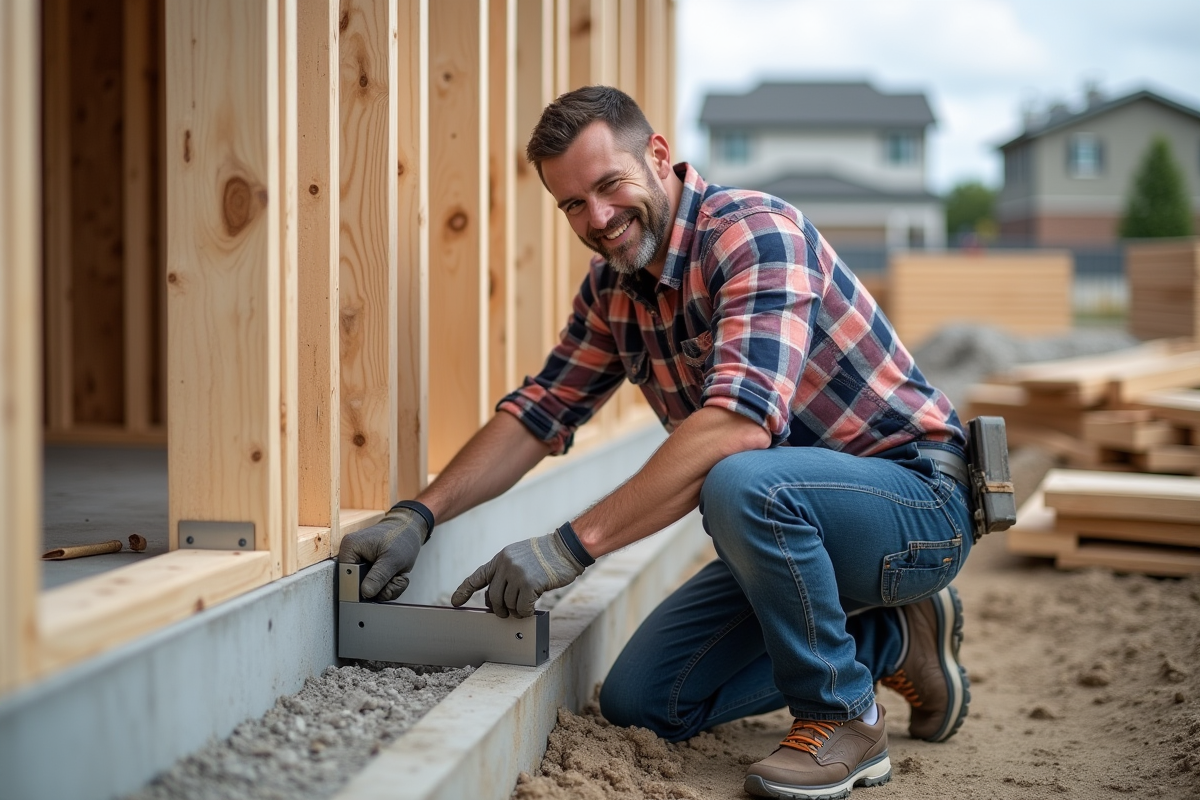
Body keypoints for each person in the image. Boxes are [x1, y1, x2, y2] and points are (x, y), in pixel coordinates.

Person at [339, 85, 974, 799]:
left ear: (660, 156)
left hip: (916, 505)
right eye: (573, 204)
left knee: (739, 478)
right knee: (646, 701)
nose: (598, 218)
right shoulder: (614, 288)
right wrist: (416, 516)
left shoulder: (755, 234)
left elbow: (739, 424)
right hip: (791, 529)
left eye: (609, 185)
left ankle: (842, 716)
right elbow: (539, 412)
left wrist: (567, 546)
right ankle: (894, 639)